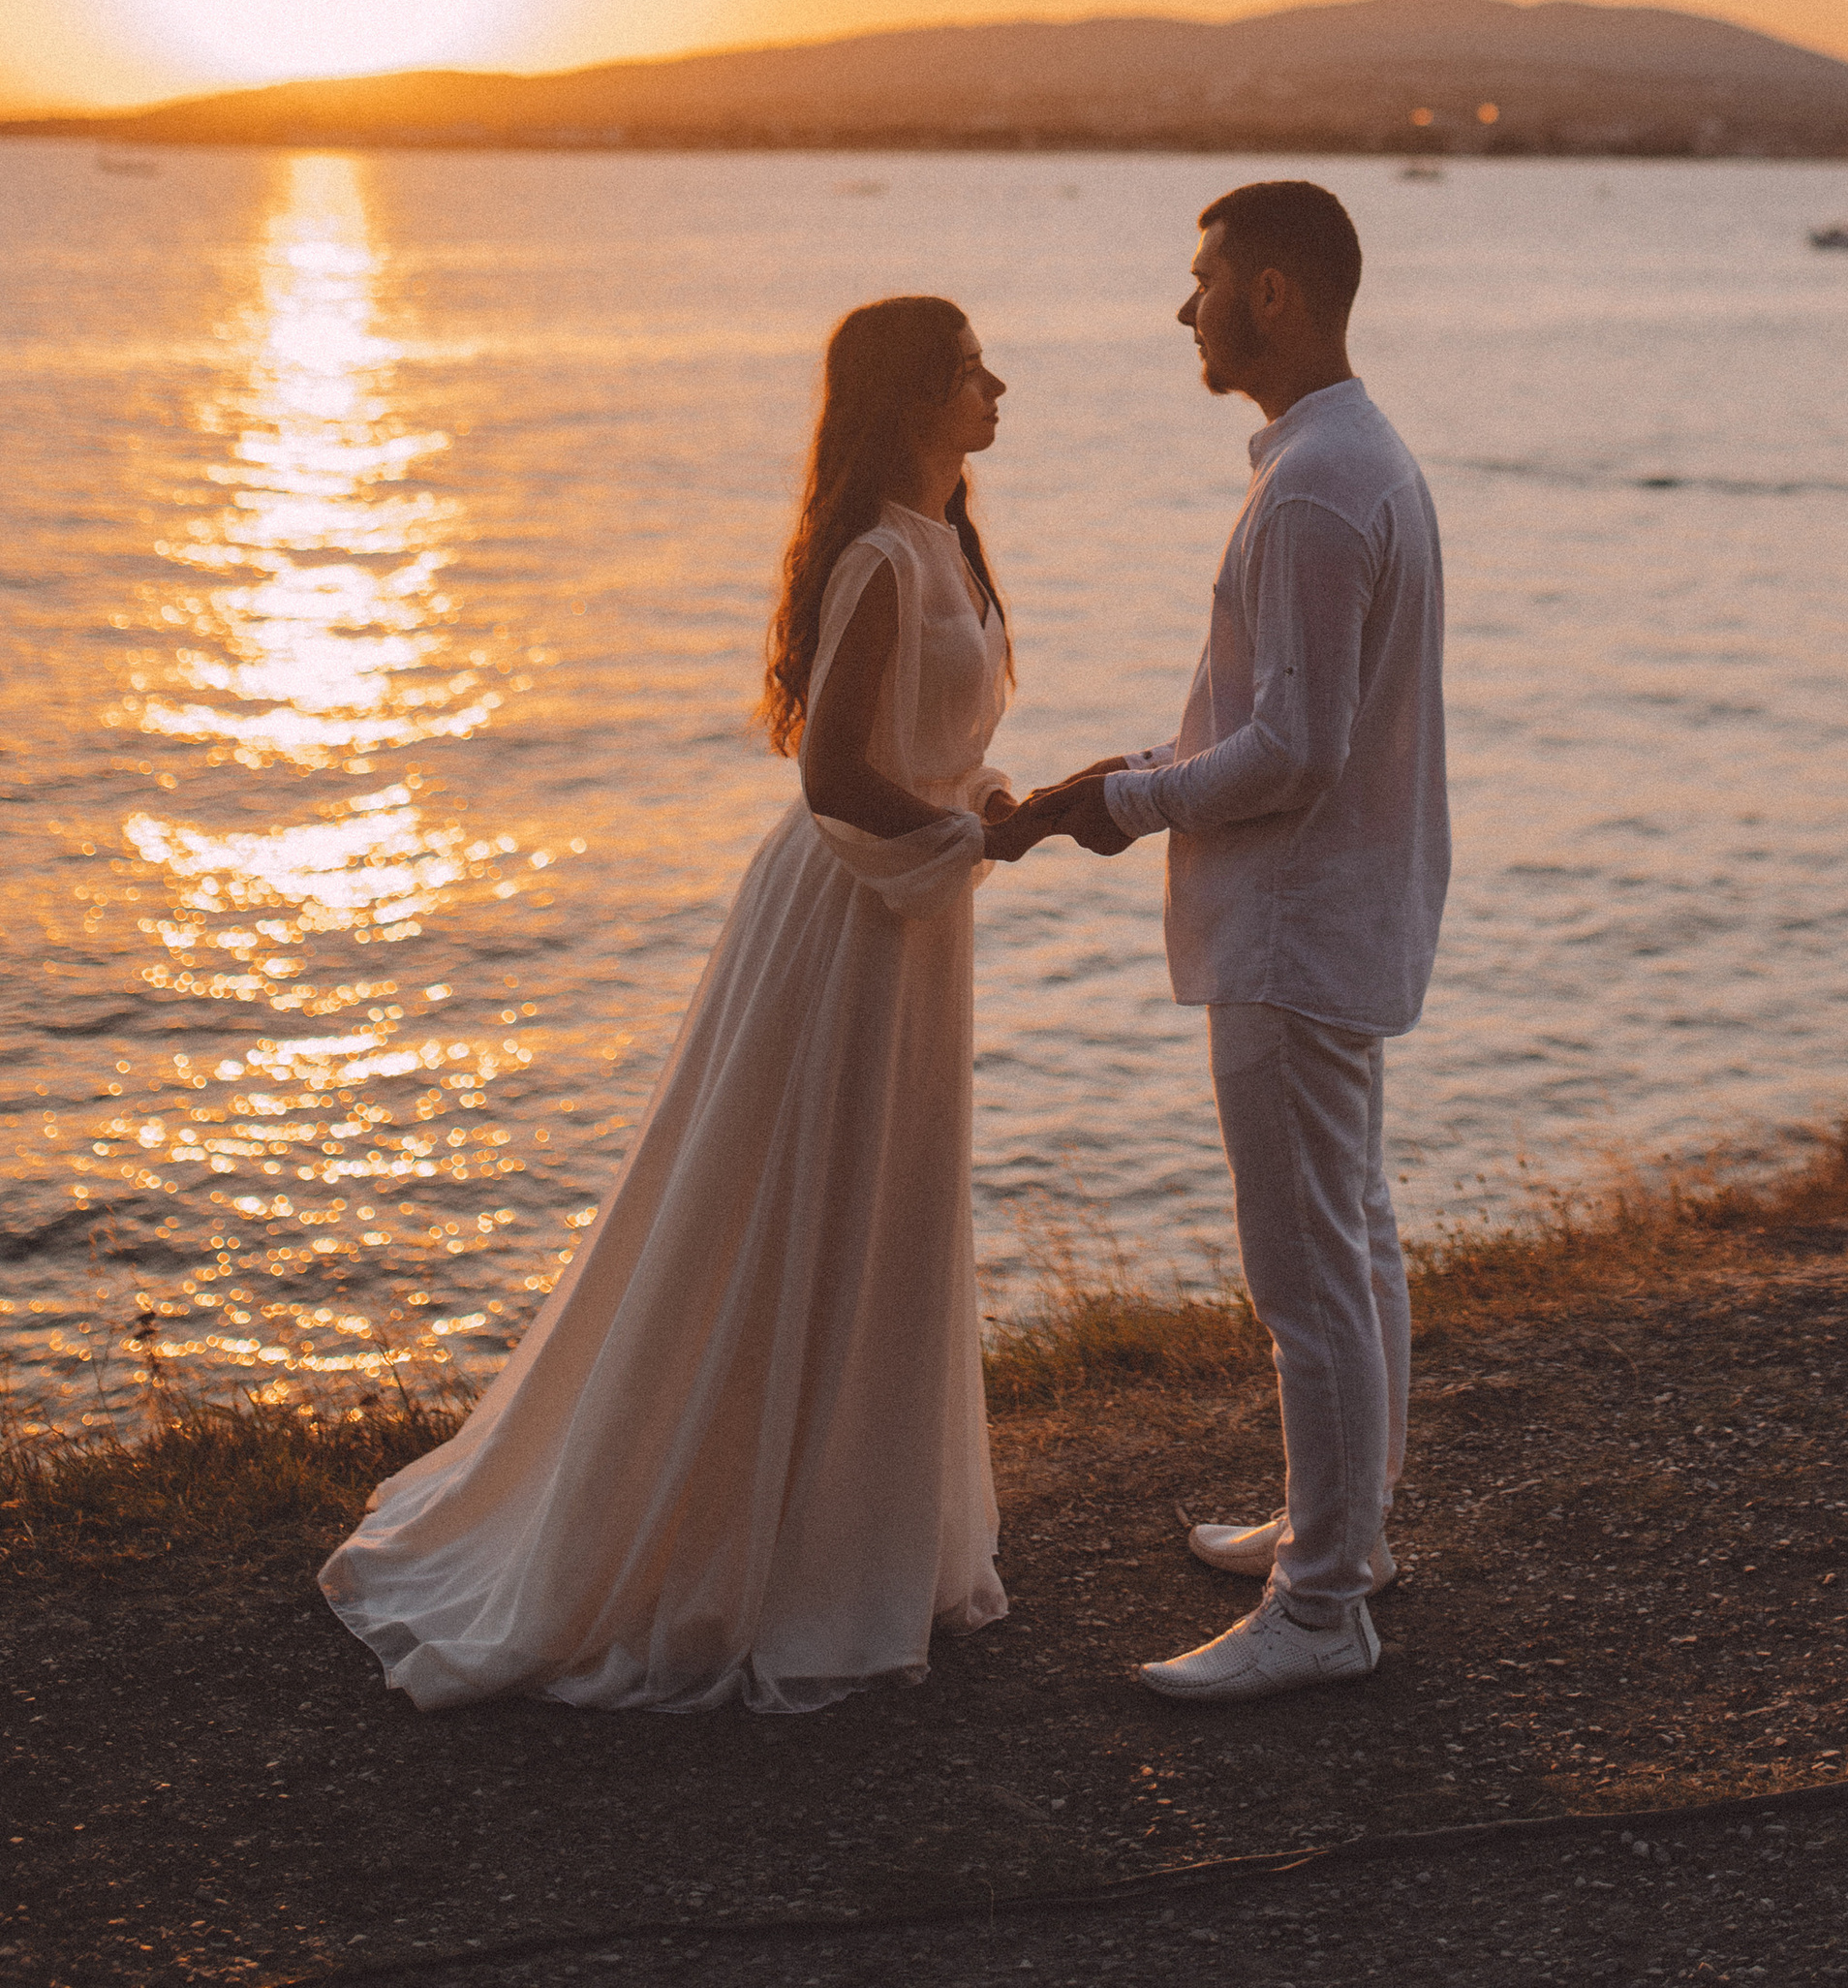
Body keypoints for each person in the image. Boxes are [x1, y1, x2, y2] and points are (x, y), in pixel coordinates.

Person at [321, 295, 1045, 1713]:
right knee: (802, 1198)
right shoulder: (880, 561)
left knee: (890, 1201)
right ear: (913, 397)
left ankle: (864, 1528)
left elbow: (930, 750)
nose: (997, 386)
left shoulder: (952, 544)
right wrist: (968, 834)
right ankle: (750, 1539)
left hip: (916, 911)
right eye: (972, 371)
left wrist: (996, 805)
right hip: (849, 915)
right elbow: (833, 777)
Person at [1020, 179, 1449, 1703]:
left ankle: (1320, 1608)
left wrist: (1126, 800)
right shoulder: (1349, 455)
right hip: (1335, 910)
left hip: (1291, 922)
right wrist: (1125, 779)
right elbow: (1293, 726)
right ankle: (1347, 1535)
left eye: (1204, 277)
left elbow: (1294, 750)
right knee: (1355, 1236)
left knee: (1307, 1272)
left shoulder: (1320, 486)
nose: (1183, 307)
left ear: (1273, 292)